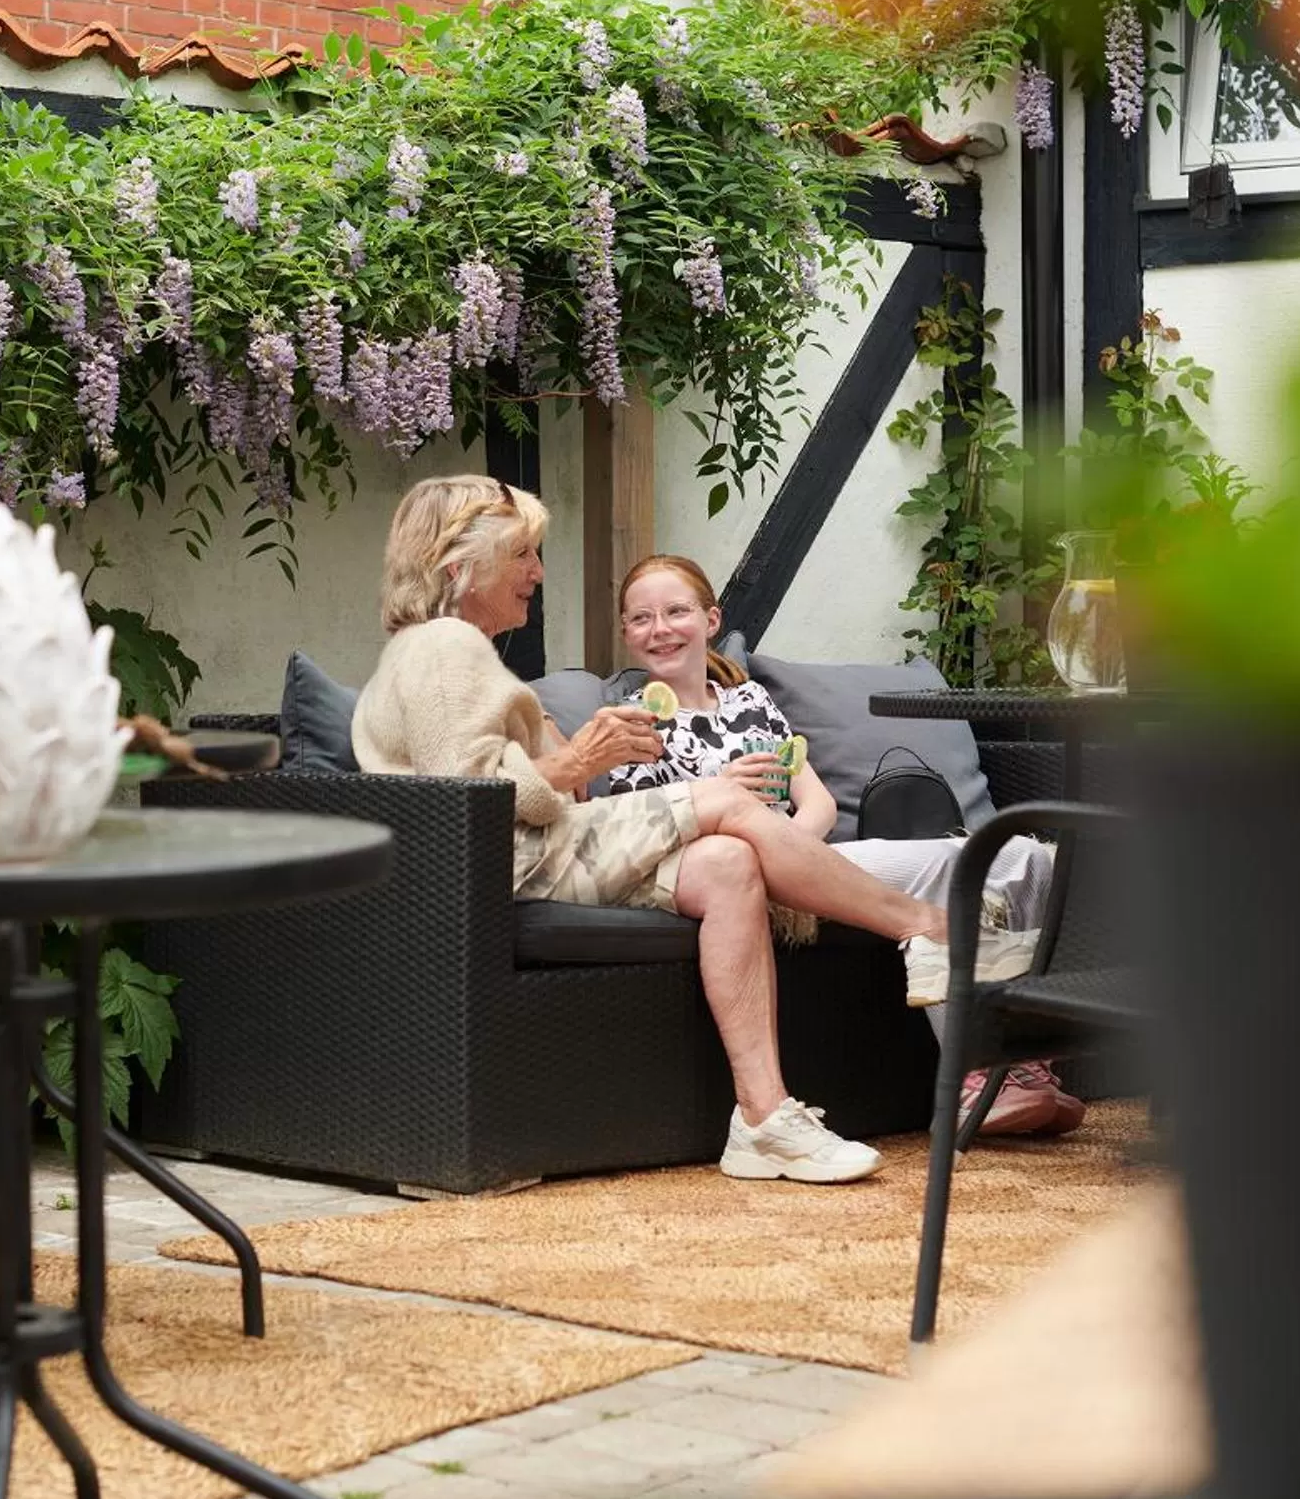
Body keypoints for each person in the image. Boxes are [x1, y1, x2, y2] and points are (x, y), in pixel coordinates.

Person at [352, 475, 958, 1184]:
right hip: (511, 862)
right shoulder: (443, 646)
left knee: (730, 861)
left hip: (534, 851)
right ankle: (924, 925)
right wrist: (581, 756)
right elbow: (472, 793)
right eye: (523, 553)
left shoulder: (459, 651)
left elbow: (517, 776)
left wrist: (579, 754)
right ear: (461, 566)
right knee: (727, 804)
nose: (537, 573)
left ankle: (763, 1119)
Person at [601, 554, 1085, 1138]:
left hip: (806, 861)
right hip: (728, 874)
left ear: (710, 620)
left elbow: (820, 804)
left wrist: (793, 853)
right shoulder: (629, 723)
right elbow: (651, 836)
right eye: (641, 619)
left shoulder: (750, 702)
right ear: (626, 634)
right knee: (942, 883)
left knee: (1016, 857)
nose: (659, 629)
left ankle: (1021, 1061)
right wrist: (737, 816)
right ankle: (978, 1078)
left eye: (675, 611)